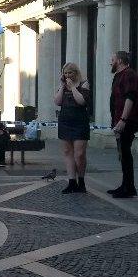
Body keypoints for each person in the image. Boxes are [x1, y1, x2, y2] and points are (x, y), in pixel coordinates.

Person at [108, 51, 138, 198]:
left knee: (126, 154)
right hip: (119, 119)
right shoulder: (118, 75)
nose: (111, 62)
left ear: (120, 61)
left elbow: (130, 97)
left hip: (127, 120)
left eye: (113, 59)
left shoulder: (129, 75)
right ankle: (126, 185)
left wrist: (123, 120)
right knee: (123, 154)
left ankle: (129, 188)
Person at [54, 62, 91, 193]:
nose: (68, 75)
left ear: (76, 73)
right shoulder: (63, 86)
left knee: (80, 154)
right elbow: (57, 102)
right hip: (65, 121)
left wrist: (73, 88)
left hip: (80, 122)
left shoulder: (84, 84)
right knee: (67, 152)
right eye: (65, 73)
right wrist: (62, 87)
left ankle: (81, 180)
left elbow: (82, 101)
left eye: (70, 73)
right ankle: (71, 182)